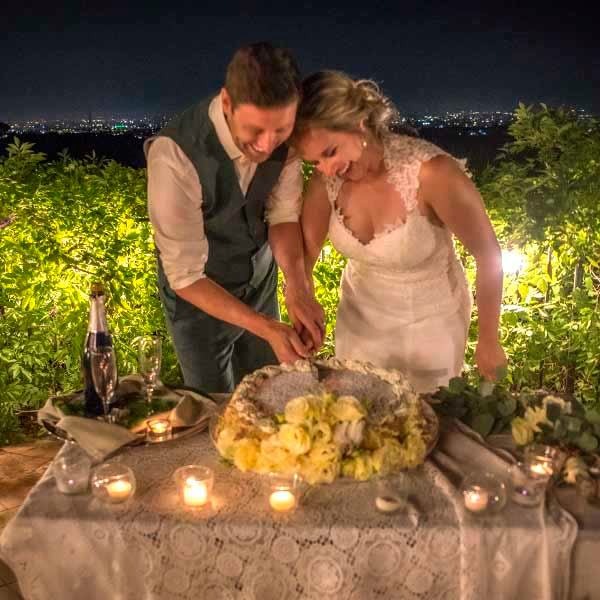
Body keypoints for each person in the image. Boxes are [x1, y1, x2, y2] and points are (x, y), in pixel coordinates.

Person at [291, 70, 507, 393]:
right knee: (357, 411)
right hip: (359, 323)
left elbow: (488, 255)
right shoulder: (327, 181)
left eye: (330, 152)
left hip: (432, 328)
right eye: (314, 162)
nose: (326, 169)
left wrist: (489, 339)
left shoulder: (433, 174)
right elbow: (305, 255)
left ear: (357, 123)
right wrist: (304, 304)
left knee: (426, 416)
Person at [145, 43, 323, 393]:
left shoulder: (282, 139)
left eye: (281, 130)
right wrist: (267, 327)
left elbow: (283, 216)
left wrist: (298, 284)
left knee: (270, 393)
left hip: (260, 282)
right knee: (215, 405)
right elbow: (185, 275)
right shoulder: (174, 155)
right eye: (255, 130)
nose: (268, 145)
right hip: (199, 300)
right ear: (227, 102)